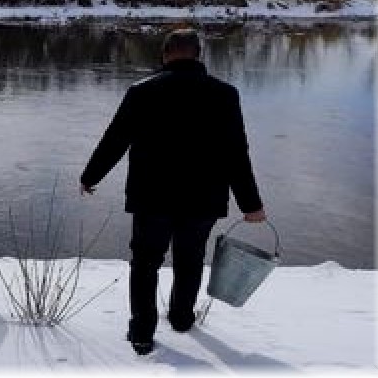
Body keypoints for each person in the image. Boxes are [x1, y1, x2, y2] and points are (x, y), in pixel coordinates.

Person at [80, 28, 267, 356]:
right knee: (190, 258)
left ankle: (142, 332)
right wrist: (251, 204)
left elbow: (115, 140)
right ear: (198, 54)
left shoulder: (141, 92)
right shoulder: (225, 95)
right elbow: (236, 152)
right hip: (204, 199)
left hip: (152, 198)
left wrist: (90, 176)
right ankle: (181, 318)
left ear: (165, 55)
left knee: (145, 263)